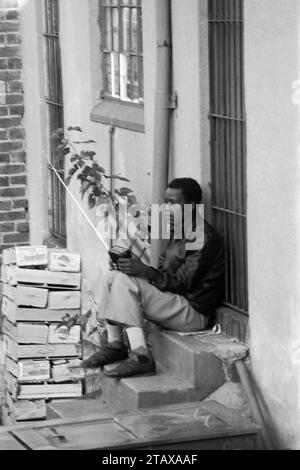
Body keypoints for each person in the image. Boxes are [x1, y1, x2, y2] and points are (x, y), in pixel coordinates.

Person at [82, 178, 225, 378]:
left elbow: (181, 284)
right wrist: (132, 266)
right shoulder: (180, 232)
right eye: (165, 202)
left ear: (191, 206)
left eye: (173, 203)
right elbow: (163, 275)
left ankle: (142, 357)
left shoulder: (203, 238)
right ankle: (115, 345)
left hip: (192, 313)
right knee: (113, 276)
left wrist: (143, 271)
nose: (166, 208)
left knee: (124, 281)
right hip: (173, 302)